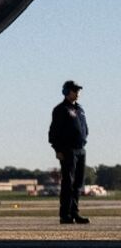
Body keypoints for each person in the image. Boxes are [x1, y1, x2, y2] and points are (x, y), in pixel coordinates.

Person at [49, 80, 90, 225]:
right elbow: (53, 132)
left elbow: (84, 128)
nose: (77, 93)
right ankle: (65, 214)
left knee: (78, 183)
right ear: (67, 92)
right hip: (68, 150)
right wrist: (57, 149)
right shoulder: (61, 109)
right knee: (68, 183)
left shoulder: (80, 109)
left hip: (81, 150)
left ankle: (75, 212)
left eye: (78, 90)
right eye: (74, 90)